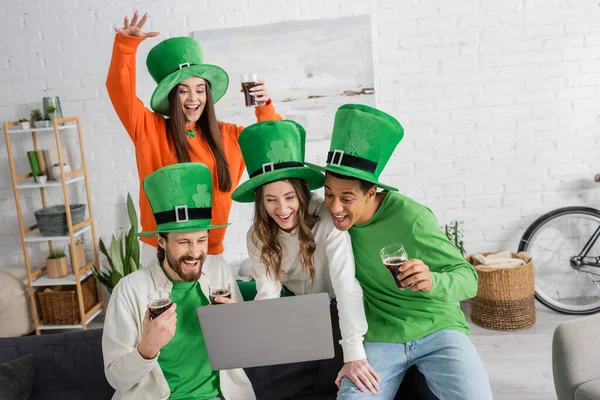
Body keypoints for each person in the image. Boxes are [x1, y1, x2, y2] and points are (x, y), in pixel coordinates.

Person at [307, 104, 493, 400]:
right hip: (381, 335)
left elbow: (469, 279)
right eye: (329, 194)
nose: (335, 207)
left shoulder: (411, 217)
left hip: (437, 328)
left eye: (347, 198)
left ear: (372, 193)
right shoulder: (330, 220)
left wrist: (433, 280)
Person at [106, 10, 282, 263]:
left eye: (200, 90)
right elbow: (119, 90)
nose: (193, 99)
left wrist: (264, 106)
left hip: (210, 252)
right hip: (161, 251)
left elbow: (273, 146)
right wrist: (126, 45)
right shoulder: (150, 129)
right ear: (171, 97)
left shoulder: (229, 135)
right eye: (183, 91)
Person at [231, 120, 380, 393]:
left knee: (332, 378)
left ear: (301, 193)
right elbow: (267, 294)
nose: (282, 208)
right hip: (294, 310)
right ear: (260, 201)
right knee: (262, 375)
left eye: (289, 197)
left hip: (336, 308)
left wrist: (354, 351)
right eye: (271, 200)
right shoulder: (257, 235)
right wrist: (259, 343)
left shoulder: (327, 219)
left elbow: (347, 287)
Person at [102, 163, 253, 400]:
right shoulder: (129, 290)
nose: (195, 252)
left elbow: (245, 352)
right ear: (161, 241)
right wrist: (148, 347)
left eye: (201, 240)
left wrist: (238, 328)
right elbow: (116, 378)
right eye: (184, 242)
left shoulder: (220, 273)